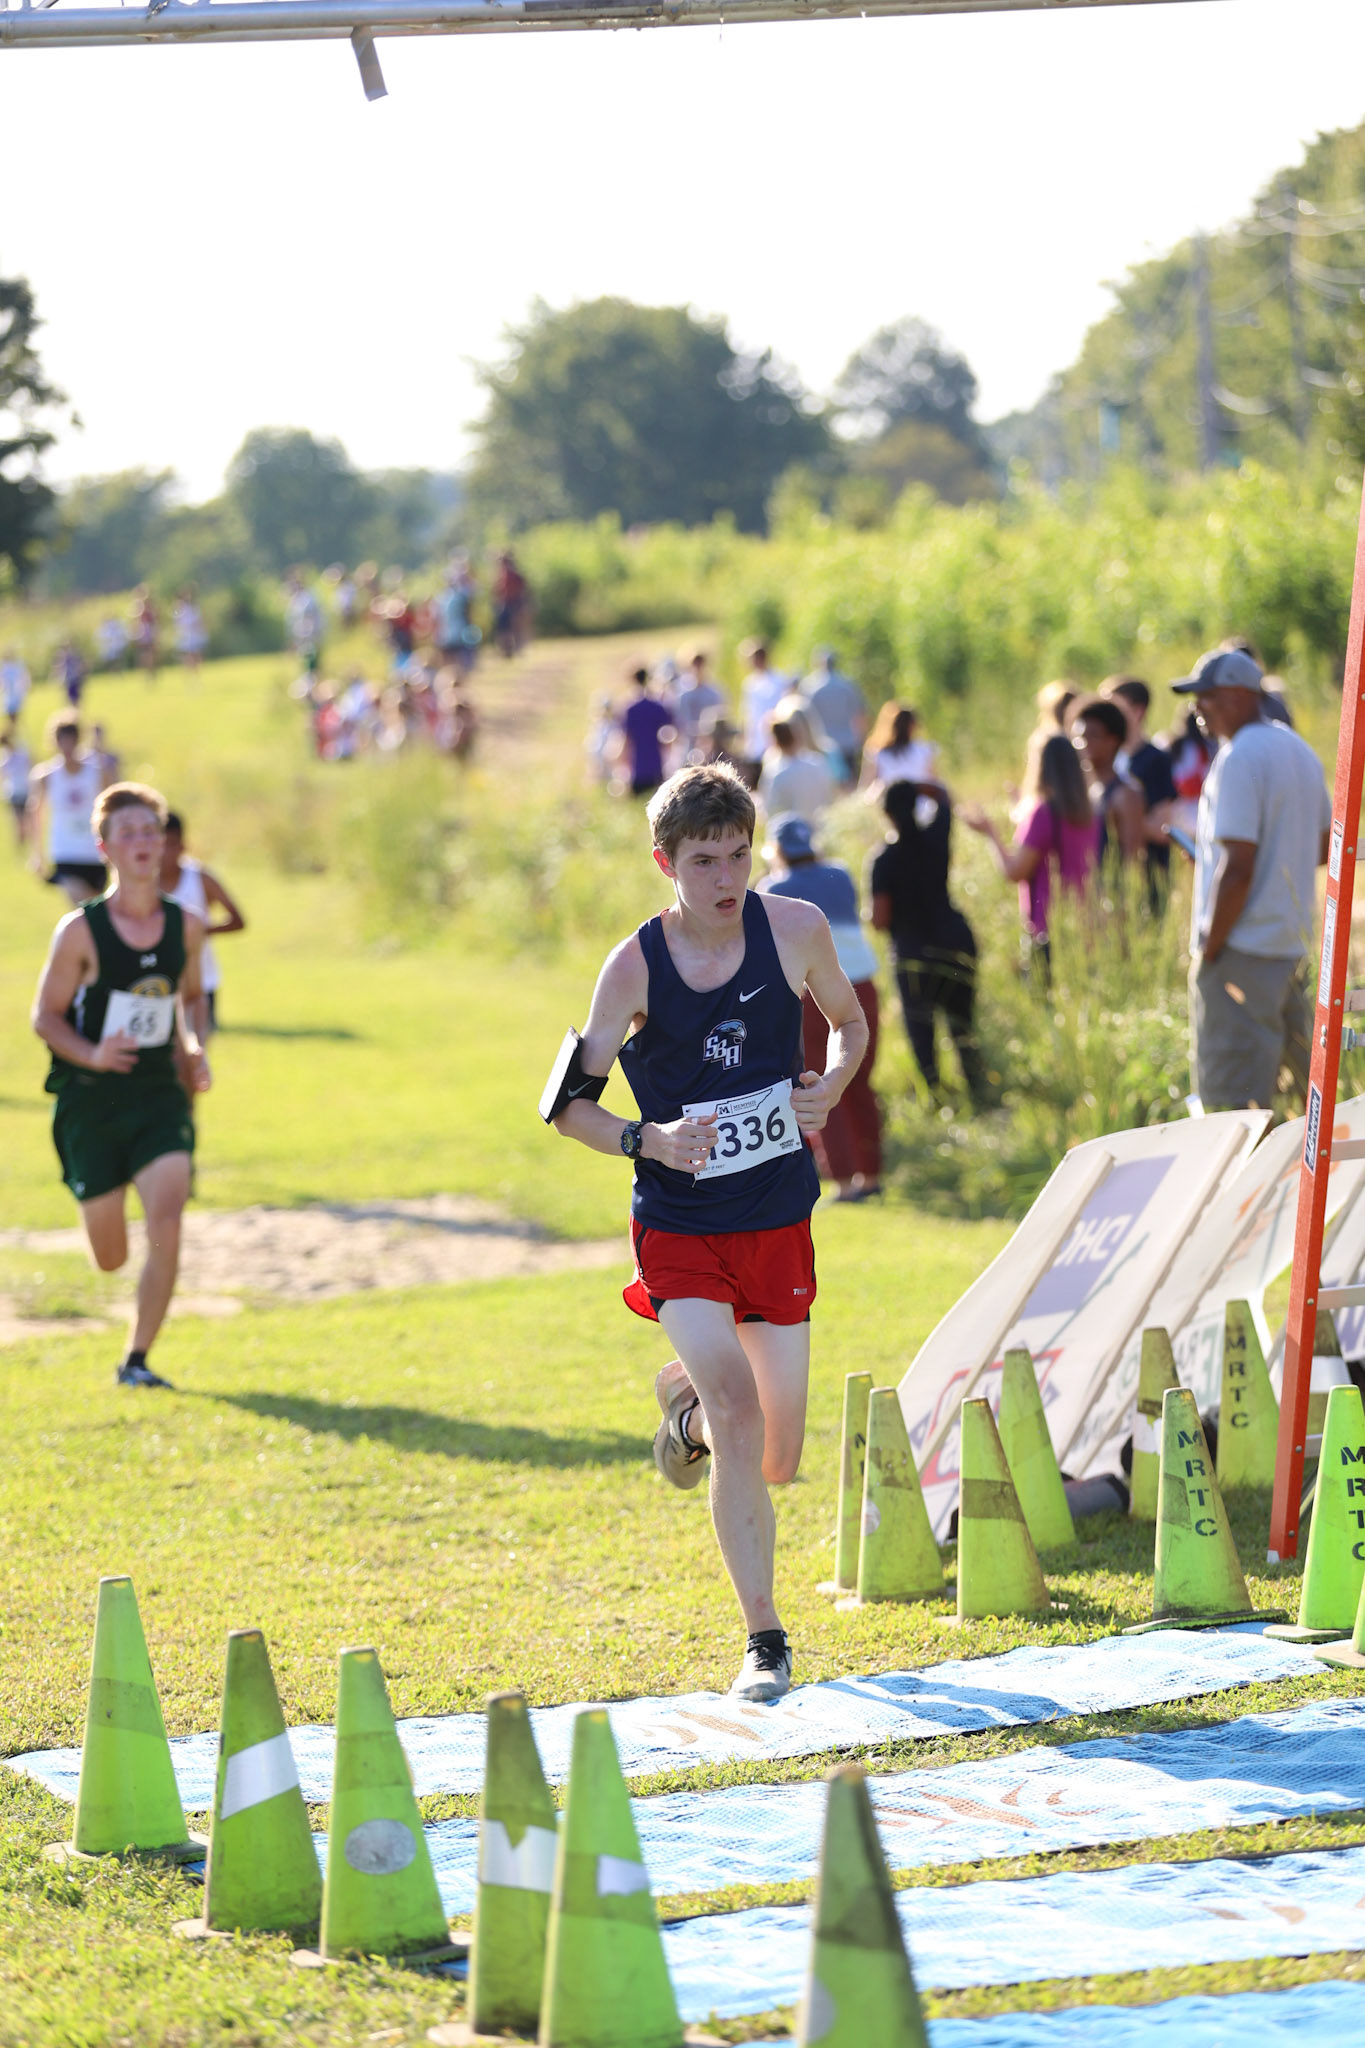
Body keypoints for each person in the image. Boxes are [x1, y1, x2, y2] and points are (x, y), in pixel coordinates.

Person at [546, 763, 868, 1701]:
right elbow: (568, 1106)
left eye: (737, 856)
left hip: (776, 1213)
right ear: (665, 863)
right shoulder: (634, 966)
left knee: (774, 1453)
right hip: (680, 1223)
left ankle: (684, 1404)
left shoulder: (797, 930)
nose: (725, 879)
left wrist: (832, 1082)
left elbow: (847, 1025)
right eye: (703, 862)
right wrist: (650, 1139)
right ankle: (764, 1640)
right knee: (741, 1420)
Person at [30, 781, 210, 1390]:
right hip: (91, 1102)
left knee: (168, 1220)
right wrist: (93, 1053)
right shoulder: (79, 932)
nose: (142, 843)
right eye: (128, 833)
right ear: (104, 846)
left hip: (158, 1094)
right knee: (111, 1256)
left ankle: (136, 1359)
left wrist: (193, 1049)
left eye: (150, 832)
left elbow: (190, 1000)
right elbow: (44, 1017)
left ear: (163, 845)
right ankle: (106, 1218)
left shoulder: (185, 927)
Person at [1176, 645, 1331, 1111]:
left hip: (1242, 950)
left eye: (1206, 694)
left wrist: (1210, 946)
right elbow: (1324, 848)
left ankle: (1243, 1189)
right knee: (1300, 1107)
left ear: (1240, 695)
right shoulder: (1298, 749)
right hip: (1292, 947)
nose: (1196, 706)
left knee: (1232, 1111)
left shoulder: (1239, 757)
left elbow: (1239, 868)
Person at [759, 813, 882, 1200]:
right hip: (862, 983)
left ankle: (843, 1180)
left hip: (813, 991)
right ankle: (871, 1175)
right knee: (857, 1078)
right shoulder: (841, 874)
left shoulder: (772, 886)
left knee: (819, 1081)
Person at [871, 781, 988, 1105]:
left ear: (887, 814)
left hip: (913, 953)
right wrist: (918, 786)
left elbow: (880, 919)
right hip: (955, 940)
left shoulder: (884, 858)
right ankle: (978, 1089)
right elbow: (945, 796)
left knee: (921, 1029)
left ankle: (936, 1096)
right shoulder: (936, 837)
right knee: (962, 1022)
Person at [963, 732, 1097, 971]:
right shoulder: (1088, 813)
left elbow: (1015, 871)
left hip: (1047, 929)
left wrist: (989, 832)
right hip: (1082, 925)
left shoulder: (1043, 813)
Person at [160, 811, 246, 1034]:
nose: (164, 853)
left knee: (197, 1056)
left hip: (200, 982)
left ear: (182, 845)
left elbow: (237, 920)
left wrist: (198, 932)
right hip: (157, 984)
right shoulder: (141, 882)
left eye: (171, 845)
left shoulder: (200, 878)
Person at [1103, 676, 1177, 905]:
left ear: (1137, 711)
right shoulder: (1113, 760)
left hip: (1149, 882)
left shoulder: (1156, 760)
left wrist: (1123, 819)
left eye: (1114, 707)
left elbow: (1162, 831)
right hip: (1118, 883)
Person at [27, 715, 112, 905]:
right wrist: (37, 854)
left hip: (94, 852)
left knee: (94, 911)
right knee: (81, 908)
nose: (67, 748)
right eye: (62, 741)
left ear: (77, 741)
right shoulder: (46, 776)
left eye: (71, 741)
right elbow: (36, 814)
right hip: (65, 852)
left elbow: (112, 807)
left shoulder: (97, 771)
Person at [1071, 696, 1145, 872]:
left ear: (1113, 741)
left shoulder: (1125, 794)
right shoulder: (1087, 790)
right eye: (1079, 737)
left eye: (1092, 736)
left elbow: (1132, 861)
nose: (1082, 745)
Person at [800, 649, 867, 787]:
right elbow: (859, 714)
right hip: (847, 742)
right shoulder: (847, 685)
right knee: (848, 785)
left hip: (821, 744)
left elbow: (804, 717)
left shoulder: (809, 687)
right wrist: (860, 739)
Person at [757, 714, 837, 825]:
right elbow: (830, 795)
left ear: (775, 742)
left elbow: (770, 809)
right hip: (820, 828)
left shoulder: (775, 773)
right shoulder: (817, 763)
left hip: (791, 835)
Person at [619, 666, 676, 798]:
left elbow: (626, 740)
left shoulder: (630, 709)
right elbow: (670, 734)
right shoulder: (657, 707)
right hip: (656, 764)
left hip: (637, 768)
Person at [860, 702, 940, 794]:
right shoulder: (925, 751)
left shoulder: (877, 753)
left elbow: (865, 785)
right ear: (913, 726)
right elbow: (935, 782)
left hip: (889, 805)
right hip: (921, 804)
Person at [738, 641, 787, 769]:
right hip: (755, 739)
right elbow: (748, 712)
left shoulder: (778, 680)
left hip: (774, 734)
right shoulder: (749, 682)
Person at [674, 650, 724, 751]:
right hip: (689, 745)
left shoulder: (714, 692)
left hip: (710, 745)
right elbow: (680, 721)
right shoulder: (684, 694)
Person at [2, 721, 31, 847]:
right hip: (14, 793)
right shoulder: (5, 757)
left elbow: (31, 765)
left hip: (25, 791)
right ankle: (20, 843)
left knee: (26, 820)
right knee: (18, 820)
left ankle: (27, 840)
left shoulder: (21, 753)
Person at [173, 588, 208, 677]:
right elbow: (178, 622)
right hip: (185, 635)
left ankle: (195, 672)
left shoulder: (193, 607)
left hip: (194, 634)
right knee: (189, 655)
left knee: (196, 655)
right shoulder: (179, 607)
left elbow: (198, 620)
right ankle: (189, 673)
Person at [1, 648, 30, 722]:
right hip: (9, 695)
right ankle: (12, 729)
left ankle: (14, 729)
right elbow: (3, 682)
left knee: (16, 716)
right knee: (11, 716)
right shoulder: (5, 667)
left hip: (17, 695)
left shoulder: (18, 665)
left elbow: (24, 678)